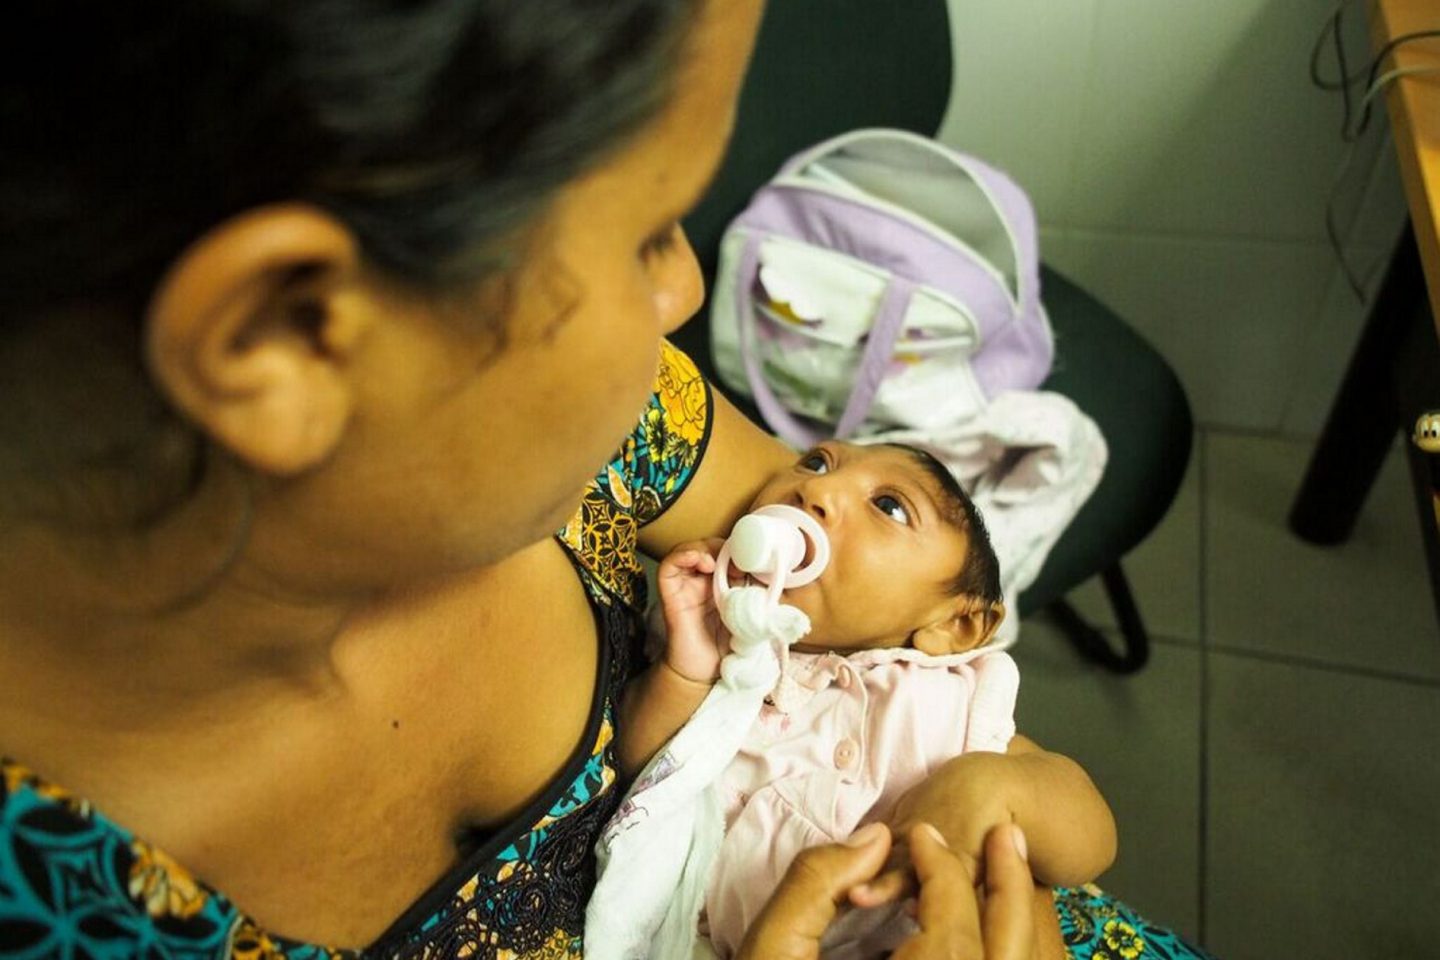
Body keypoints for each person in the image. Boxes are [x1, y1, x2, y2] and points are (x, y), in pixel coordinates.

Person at [0, 1, 1210, 957]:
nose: (688, 294)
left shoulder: (623, 430)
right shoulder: (67, 903)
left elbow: (893, 646)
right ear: (287, 335)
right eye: (651, 231)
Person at [608, 440, 1109, 958]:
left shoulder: (934, 700)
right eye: (816, 462)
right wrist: (682, 674)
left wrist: (989, 786)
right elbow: (640, 784)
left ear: (954, 624)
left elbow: (1092, 839)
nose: (816, 488)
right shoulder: (719, 643)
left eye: (889, 505)